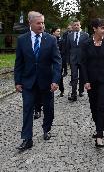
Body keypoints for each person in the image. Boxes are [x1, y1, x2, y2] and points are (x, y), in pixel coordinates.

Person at [14, 11, 61, 151]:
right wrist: (17, 81)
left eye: (43, 23)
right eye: (38, 23)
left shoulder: (51, 39)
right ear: (30, 23)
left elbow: (57, 62)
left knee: (48, 108)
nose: (42, 26)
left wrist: (55, 80)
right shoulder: (22, 40)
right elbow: (19, 63)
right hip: (28, 82)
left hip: (46, 82)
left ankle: (47, 129)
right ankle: (27, 139)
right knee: (28, 110)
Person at [81, 18, 104, 148]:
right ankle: (98, 126)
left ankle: (100, 134)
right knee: (93, 106)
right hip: (91, 80)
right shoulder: (85, 44)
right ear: (95, 29)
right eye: (102, 28)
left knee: (101, 106)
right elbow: (83, 64)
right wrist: (85, 81)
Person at [65, 19, 89, 101]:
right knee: (74, 76)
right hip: (73, 59)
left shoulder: (85, 35)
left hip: (83, 59)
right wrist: (68, 60)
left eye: (77, 25)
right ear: (72, 26)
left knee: (82, 76)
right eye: (74, 25)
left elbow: (87, 48)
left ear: (80, 25)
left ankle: (81, 91)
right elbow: (67, 48)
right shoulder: (69, 35)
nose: (76, 26)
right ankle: (73, 93)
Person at [51, 27, 65, 97]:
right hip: (50, 61)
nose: (59, 32)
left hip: (59, 61)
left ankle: (62, 90)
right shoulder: (49, 40)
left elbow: (63, 51)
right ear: (53, 32)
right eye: (57, 31)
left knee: (59, 75)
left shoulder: (61, 40)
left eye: (59, 31)